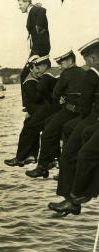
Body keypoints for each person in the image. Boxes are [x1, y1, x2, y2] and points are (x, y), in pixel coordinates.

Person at [48, 38, 99, 215]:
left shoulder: (93, 74)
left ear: (93, 59)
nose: (87, 64)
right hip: (93, 118)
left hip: (92, 117)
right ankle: (77, 195)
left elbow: (85, 106)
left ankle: (74, 198)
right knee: (73, 135)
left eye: (87, 60)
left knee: (72, 153)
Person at [25, 50, 86, 178]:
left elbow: (55, 94)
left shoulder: (66, 73)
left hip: (70, 110)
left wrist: (60, 97)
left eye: (61, 63)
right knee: (48, 123)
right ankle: (55, 160)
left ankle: (42, 166)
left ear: (70, 61)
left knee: (47, 134)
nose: (60, 66)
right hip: (81, 111)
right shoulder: (83, 72)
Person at [5, 55, 53, 166]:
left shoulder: (39, 79)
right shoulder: (29, 82)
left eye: (39, 68)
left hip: (42, 111)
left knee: (28, 129)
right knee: (30, 129)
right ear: (30, 69)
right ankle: (30, 156)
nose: (38, 71)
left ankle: (22, 157)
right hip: (39, 110)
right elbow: (35, 98)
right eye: (35, 69)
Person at [18, 0, 51, 108]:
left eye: (20, 4)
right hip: (37, 49)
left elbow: (42, 10)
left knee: (24, 75)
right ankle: (39, 101)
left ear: (27, 2)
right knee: (39, 76)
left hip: (38, 50)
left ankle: (28, 105)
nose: (19, 7)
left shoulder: (35, 10)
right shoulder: (32, 11)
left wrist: (39, 28)